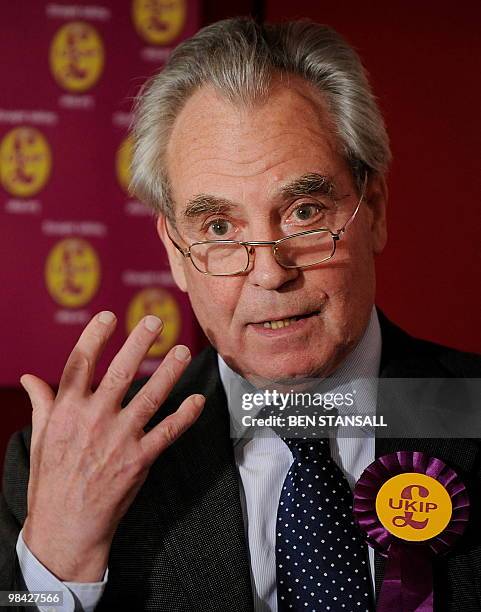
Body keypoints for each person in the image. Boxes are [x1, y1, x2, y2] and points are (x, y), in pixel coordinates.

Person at [1, 17, 480, 612]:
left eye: (305, 212)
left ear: (374, 209)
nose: (269, 272)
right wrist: (58, 566)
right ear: (175, 252)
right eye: (219, 228)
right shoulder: (59, 469)